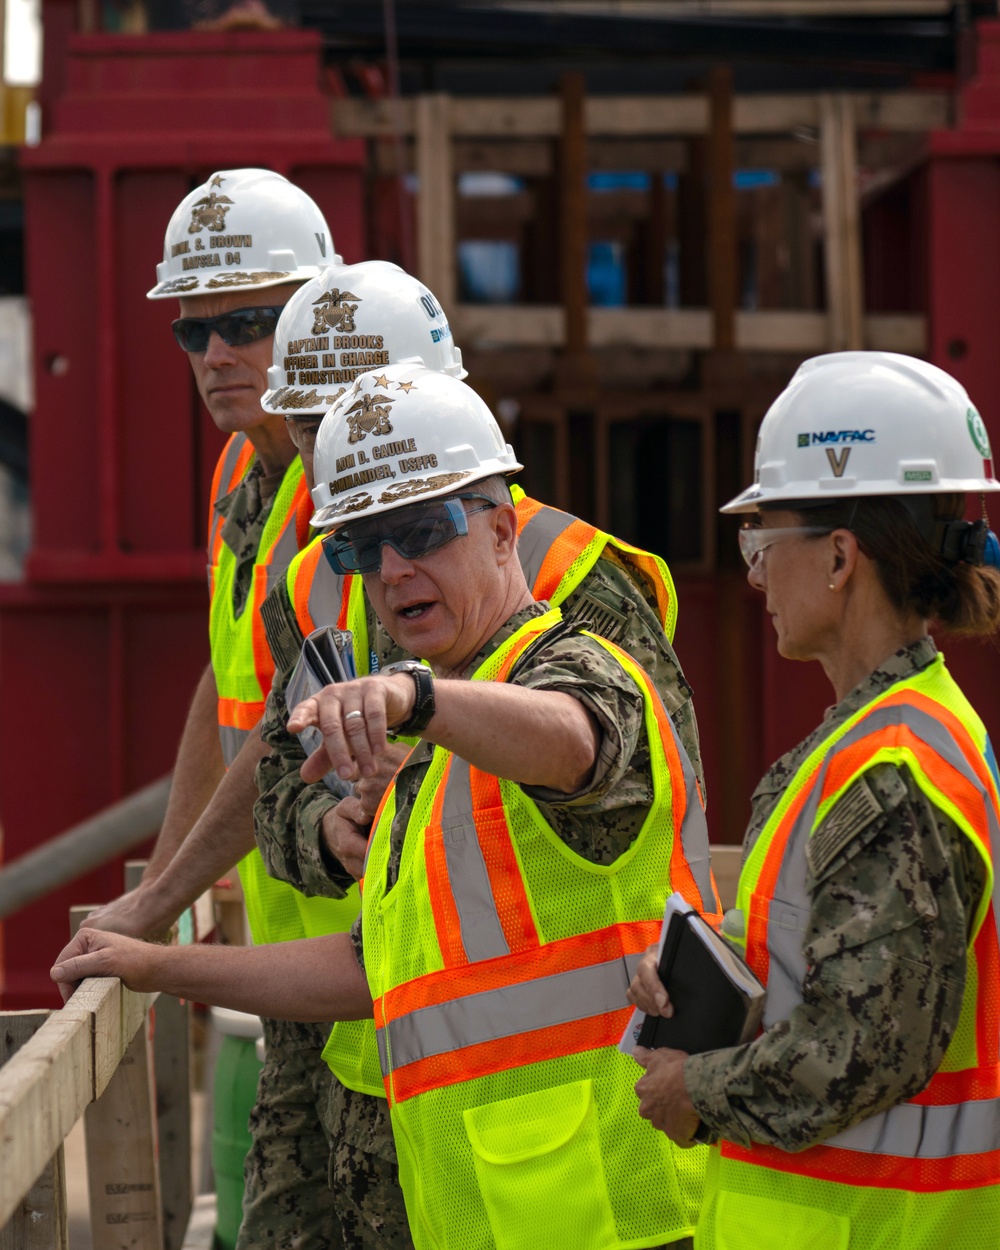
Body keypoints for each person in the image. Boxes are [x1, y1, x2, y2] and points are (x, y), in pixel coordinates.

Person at [53, 365, 721, 1250]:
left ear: (500, 531)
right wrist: (157, 966)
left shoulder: (568, 667)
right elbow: (373, 972)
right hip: (490, 1217)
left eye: (420, 530)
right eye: (362, 548)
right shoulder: (436, 752)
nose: (393, 569)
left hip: (619, 1216)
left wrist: (416, 697)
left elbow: (574, 737)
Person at [626, 351, 1000, 1249]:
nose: (752, 577)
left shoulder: (895, 769)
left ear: (839, 556)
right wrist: (711, 988)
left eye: (761, 544)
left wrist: (696, 1091)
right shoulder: (869, 743)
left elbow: (865, 1047)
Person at [94, 168, 341, 1250]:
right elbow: (226, 686)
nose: (216, 354)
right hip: (295, 963)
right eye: (194, 331)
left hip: (378, 958)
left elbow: (290, 731)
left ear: (321, 315)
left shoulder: (356, 490)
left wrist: (154, 918)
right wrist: (163, 883)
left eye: (250, 321)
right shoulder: (245, 473)